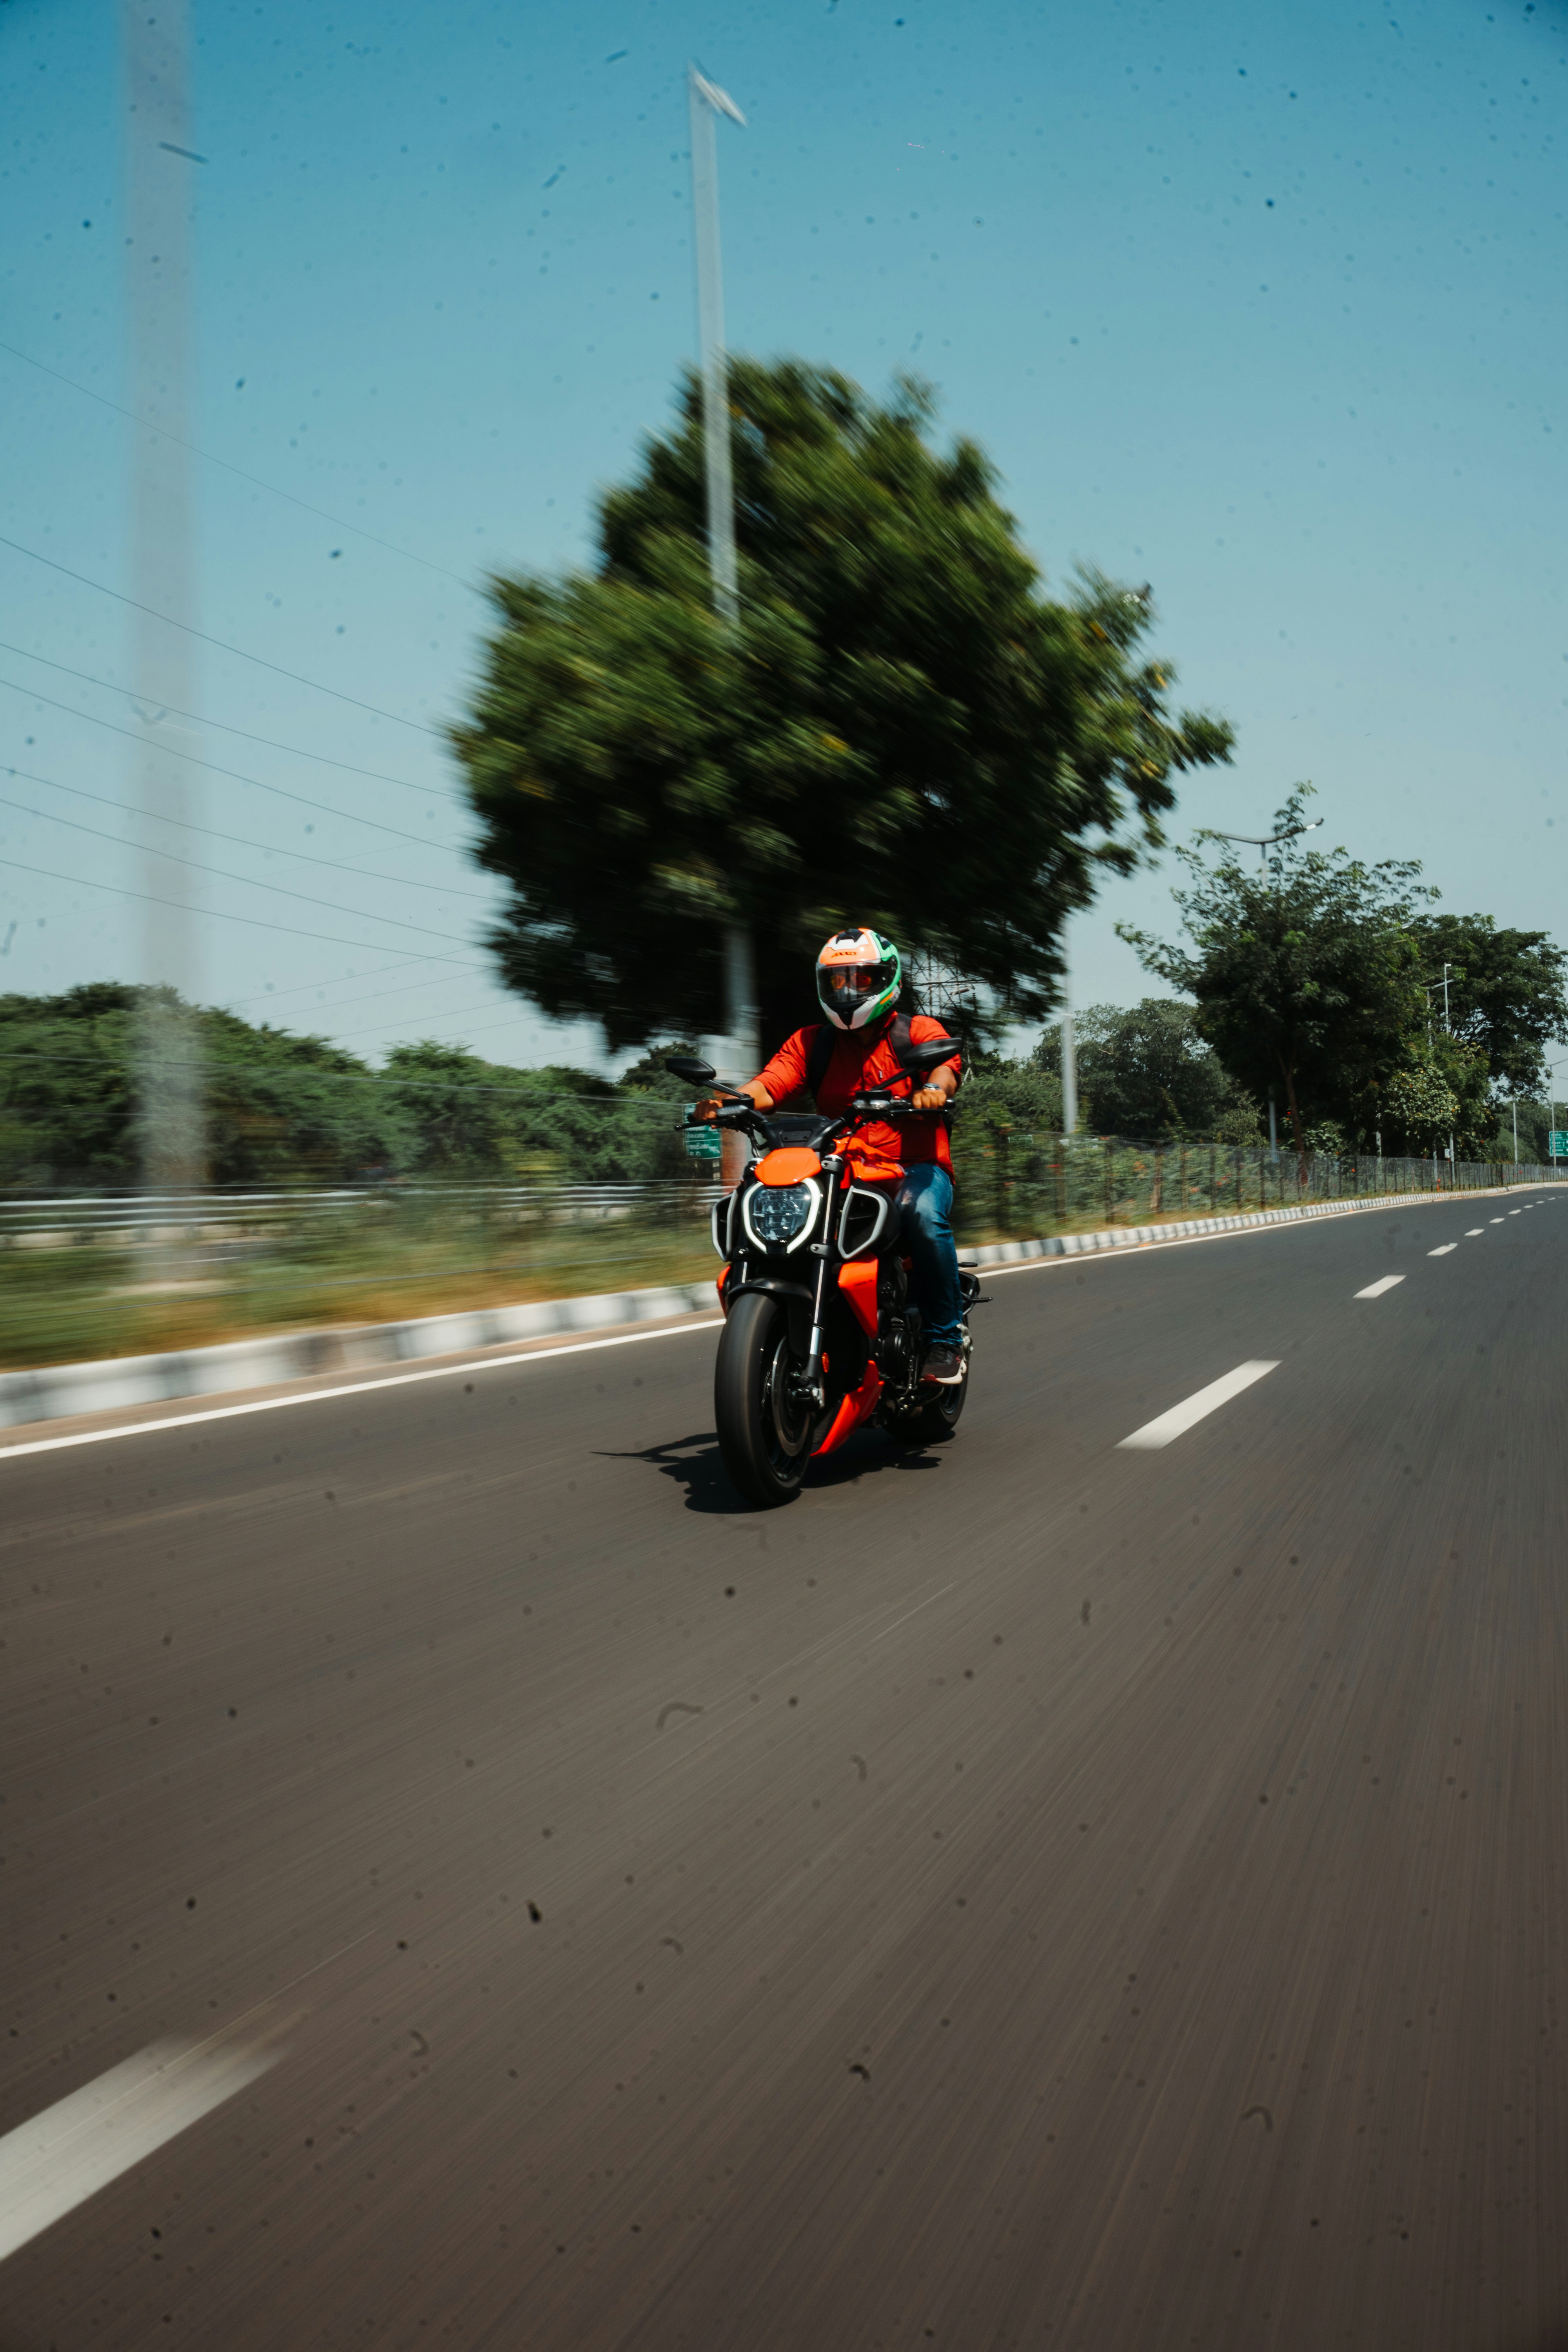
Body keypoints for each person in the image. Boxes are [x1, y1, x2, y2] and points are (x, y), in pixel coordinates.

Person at [698, 927, 966, 1383]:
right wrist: (731, 1102)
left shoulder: (917, 1032)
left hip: (913, 1171)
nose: (848, 991)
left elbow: (944, 1066)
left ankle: (945, 1338)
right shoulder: (812, 1043)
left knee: (920, 1213)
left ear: (887, 980)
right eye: (838, 981)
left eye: (861, 980)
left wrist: (934, 1090)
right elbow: (771, 1083)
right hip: (842, 1168)